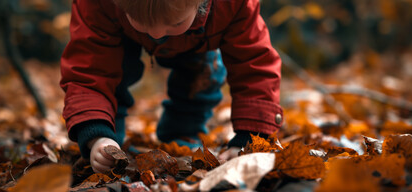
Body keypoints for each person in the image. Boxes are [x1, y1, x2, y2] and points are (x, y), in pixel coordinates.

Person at [60, 0, 283, 173]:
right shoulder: (98, 4)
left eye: (175, 22)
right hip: (120, 33)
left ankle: (183, 134)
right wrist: (95, 134)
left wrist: (250, 139)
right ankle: (108, 139)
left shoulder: (234, 5)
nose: (157, 33)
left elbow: (254, 67)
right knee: (114, 69)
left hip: (200, 38)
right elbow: (90, 69)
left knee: (202, 75)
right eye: (141, 20)